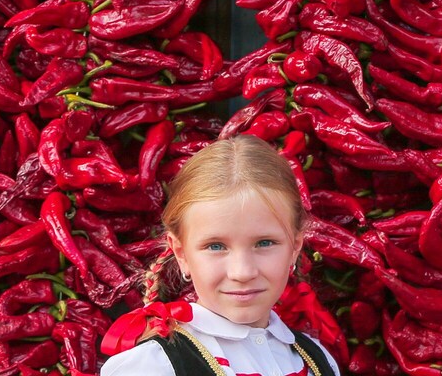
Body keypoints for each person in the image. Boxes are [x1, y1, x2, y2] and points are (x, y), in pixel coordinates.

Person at [100, 135, 340, 376]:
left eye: (264, 243)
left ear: (295, 248)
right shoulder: (153, 367)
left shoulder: (317, 361)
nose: (242, 272)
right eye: (216, 246)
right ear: (181, 254)